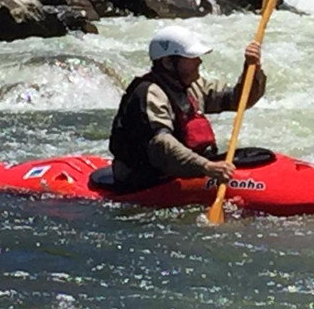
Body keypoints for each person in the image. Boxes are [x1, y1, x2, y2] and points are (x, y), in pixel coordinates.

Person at [108, 25, 265, 191]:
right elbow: (161, 145)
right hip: (147, 179)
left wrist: (251, 69)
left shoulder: (192, 86)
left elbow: (238, 100)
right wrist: (206, 167)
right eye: (191, 57)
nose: (199, 61)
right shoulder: (149, 93)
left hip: (185, 168)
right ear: (168, 62)